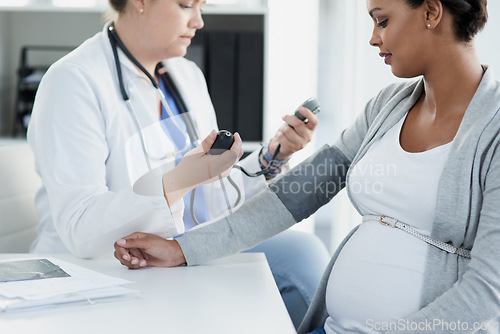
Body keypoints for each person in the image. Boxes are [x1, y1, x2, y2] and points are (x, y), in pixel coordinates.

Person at [114, 0, 500, 333]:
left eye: (382, 20)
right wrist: (182, 249)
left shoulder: (493, 130)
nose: (373, 38)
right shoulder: (388, 107)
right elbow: (292, 196)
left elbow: (488, 292)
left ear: (432, 11)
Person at [27, 0, 330, 328]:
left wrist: (273, 156)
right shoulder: (74, 80)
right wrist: (177, 182)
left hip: (184, 248)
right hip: (100, 269)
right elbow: (80, 228)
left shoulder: (186, 76)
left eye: (202, 6)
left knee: (305, 253)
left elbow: (210, 200)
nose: (198, 21)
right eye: (186, 5)